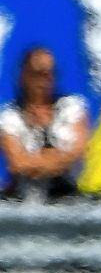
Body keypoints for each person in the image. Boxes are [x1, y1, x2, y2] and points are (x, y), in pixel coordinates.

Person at [1, 46, 91, 203]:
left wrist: (34, 162)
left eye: (50, 73)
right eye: (39, 73)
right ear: (24, 76)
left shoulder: (72, 107)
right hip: (25, 203)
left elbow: (78, 152)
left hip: (70, 201)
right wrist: (60, 158)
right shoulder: (9, 116)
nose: (46, 79)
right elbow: (18, 163)